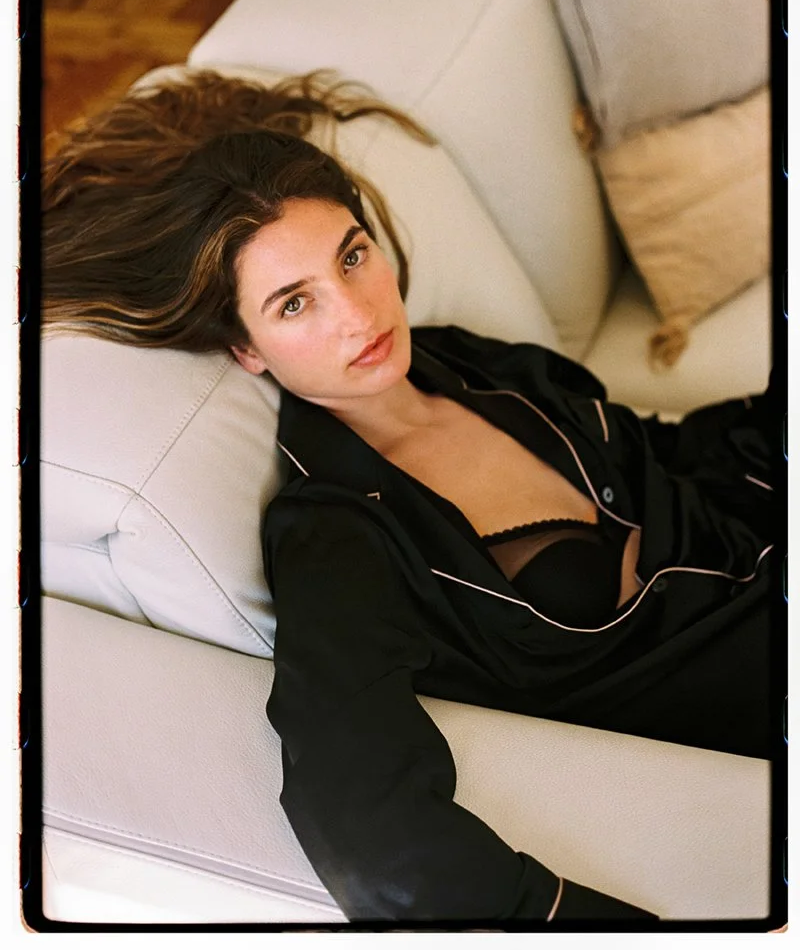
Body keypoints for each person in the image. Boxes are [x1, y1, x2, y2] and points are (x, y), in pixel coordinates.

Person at [43, 71, 778, 925]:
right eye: (296, 303)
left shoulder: (456, 359)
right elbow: (371, 832)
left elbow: (661, 453)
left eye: (352, 256)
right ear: (247, 350)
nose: (359, 315)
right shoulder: (338, 534)